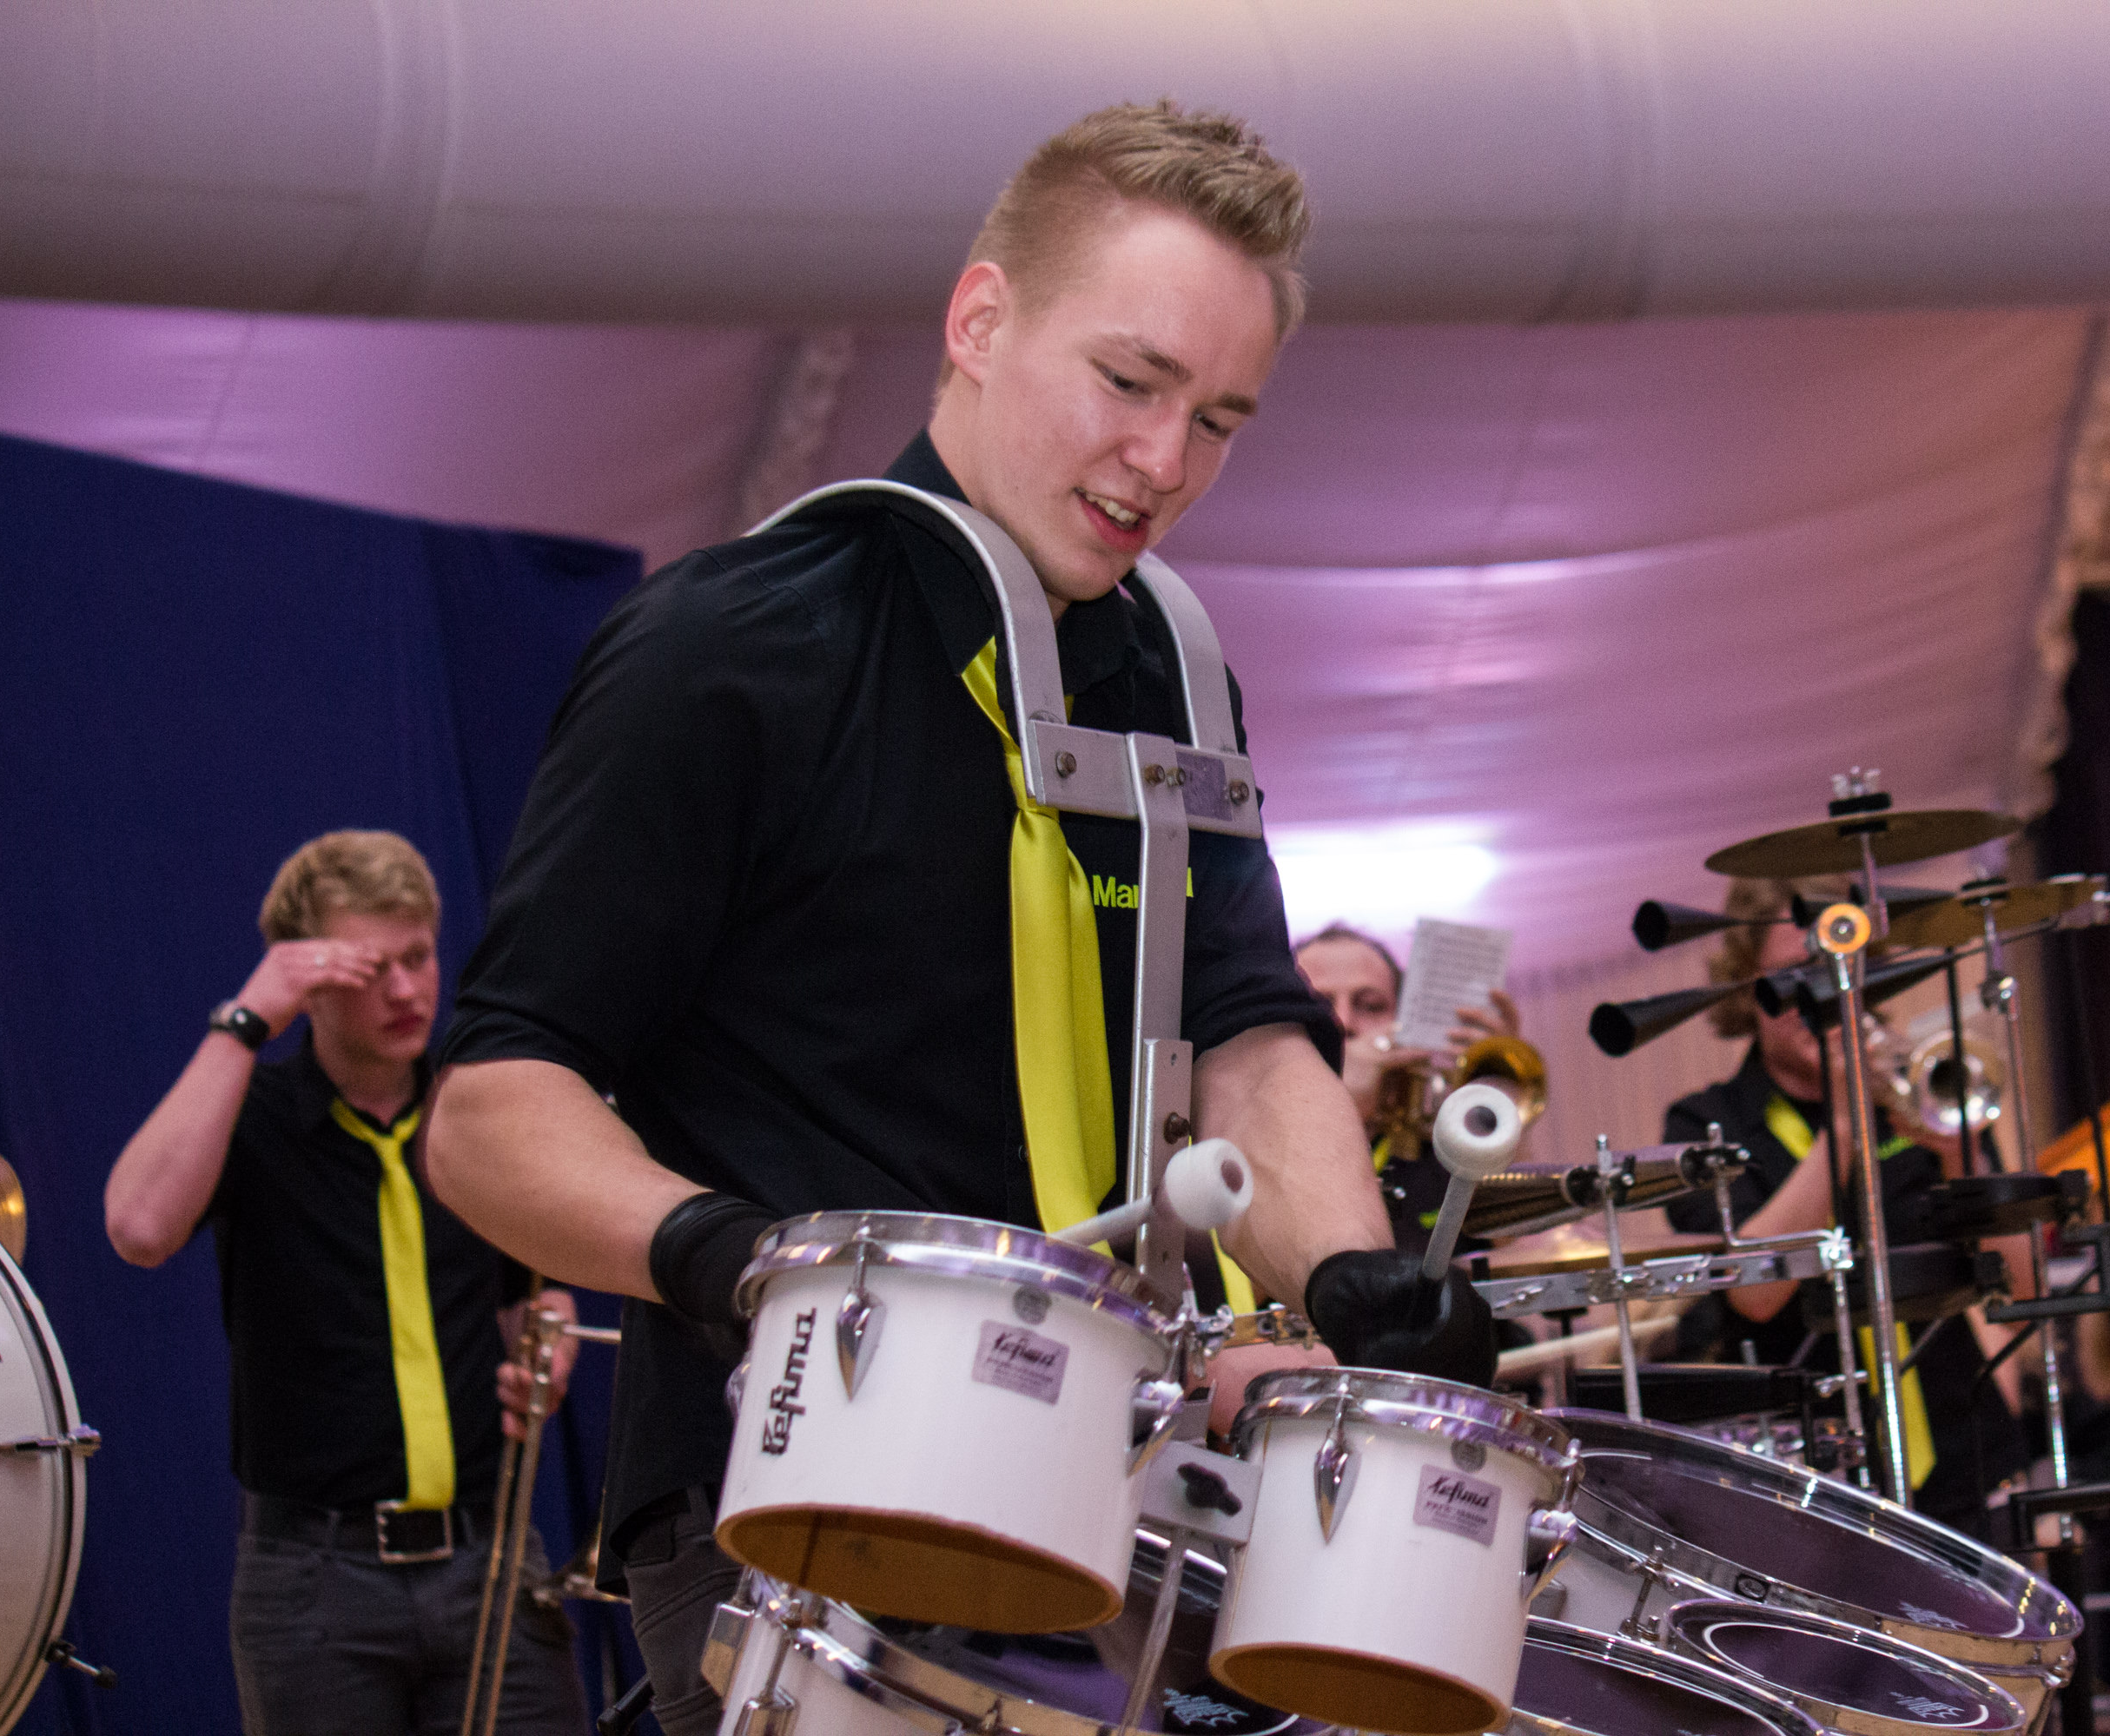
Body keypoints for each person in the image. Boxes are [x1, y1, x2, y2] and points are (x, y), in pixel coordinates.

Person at [422, 103, 1484, 1736]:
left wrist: (1352, 1280)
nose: (1163, 462)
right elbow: (493, 1107)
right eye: (1127, 381)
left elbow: (1247, 1041)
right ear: (979, 321)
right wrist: (747, 1257)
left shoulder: (1175, 674)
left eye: (1216, 418)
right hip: (801, 1498)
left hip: (1120, 1489)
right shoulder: (728, 643)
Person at [102, 831, 586, 1736]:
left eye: (418, 957)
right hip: (315, 1585)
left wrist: (546, 1340)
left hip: (490, 1560)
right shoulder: (254, 1116)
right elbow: (137, 1226)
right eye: (371, 968)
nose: (406, 990)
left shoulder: (471, 1113)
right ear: (309, 978)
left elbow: (535, 1293)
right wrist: (246, 1018)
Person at [1657, 875, 2029, 1541]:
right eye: (1794, 974)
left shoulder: (1923, 1092)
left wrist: (1962, 1154)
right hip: (1806, 1484)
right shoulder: (1705, 1123)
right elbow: (1755, 1294)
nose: (1820, 996)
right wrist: (1846, 1123)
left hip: (1964, 1455)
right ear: (1746, 987)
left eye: (1839, 971)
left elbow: (2024, 1284)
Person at [1292, 921, 1526, 1254]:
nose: (1343, 1022)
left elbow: (1518, 1243)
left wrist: (1496, 1110)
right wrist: (1340, 1108)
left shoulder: (1445, 1148)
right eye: (1319, 1004)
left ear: (1403, 1019)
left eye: (1371, 1005)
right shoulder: (1253, 1136)